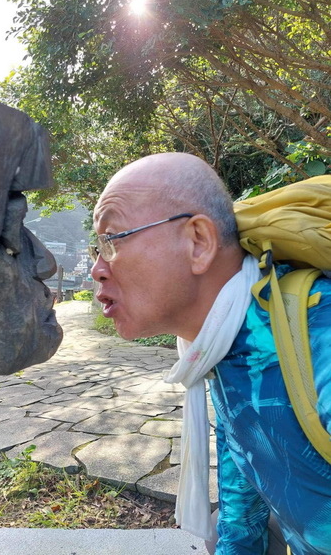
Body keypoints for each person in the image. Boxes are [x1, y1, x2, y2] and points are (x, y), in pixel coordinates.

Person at [89, 152, 331, 555]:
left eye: (111, 240)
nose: (97, 268)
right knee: (219, 529)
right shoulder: (221, 345)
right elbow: (242, 509)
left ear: (198, 242)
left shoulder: (317, 337)